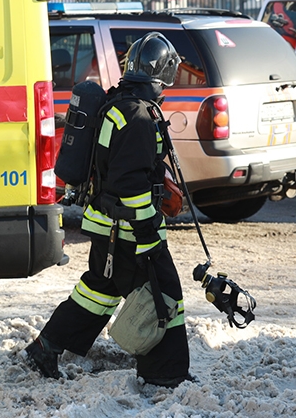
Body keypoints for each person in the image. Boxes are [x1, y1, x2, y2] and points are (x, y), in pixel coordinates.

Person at [23, 32, 194, 388]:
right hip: (129, 230)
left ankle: (46, 346)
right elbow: (130, 183)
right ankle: (165, 374)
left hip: (107, 225)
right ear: (163, 72)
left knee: (100, 288)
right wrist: (147, 235)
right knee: (163, 293)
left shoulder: (118, 104)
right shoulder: (138, 116)